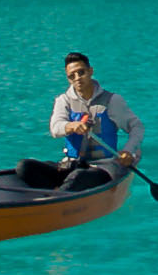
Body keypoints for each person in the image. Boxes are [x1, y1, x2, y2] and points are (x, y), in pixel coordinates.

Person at [45, 52, 143, 191]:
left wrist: (128, 151)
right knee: (25, 167)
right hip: (72, 164)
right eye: (72, 76)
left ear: (90, 71)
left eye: (81, 72)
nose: (77, 78)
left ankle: (57, 197)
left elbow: (137, 127)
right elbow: (55, 129)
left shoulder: (112, 101)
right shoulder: (63, 101)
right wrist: (71, 126)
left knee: (78, 177)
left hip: (103, 167)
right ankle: (58, 191)